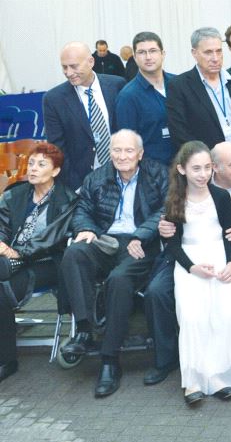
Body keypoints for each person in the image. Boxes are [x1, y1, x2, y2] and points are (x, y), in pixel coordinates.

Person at [143, 141, 231, 387]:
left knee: (226, 311)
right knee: (169, 300)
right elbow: (173, 237)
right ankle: (175, 366)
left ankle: (224, 372)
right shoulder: (178, 197)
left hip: (229, 256)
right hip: (187, 259)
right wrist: (167, 234)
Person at [58, 130, 167, 397]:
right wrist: (86, 228)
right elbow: (82, 209)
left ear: (140, 154)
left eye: (128, 151)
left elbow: (167, 209)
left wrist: (142, 235)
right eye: (116, 150)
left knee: (120, 278)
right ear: (110, 152)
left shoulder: (158, 174)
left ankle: (110, 359)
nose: (122, 156)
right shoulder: (97, 177)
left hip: (141, 243)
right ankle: (84, 329)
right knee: (74, 254)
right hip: (105, 240)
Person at [164, 141, 231, 406]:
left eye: (207, 167)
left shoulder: (220, 196)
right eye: (196, 168)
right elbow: (173, 244)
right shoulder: (174, 200)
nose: (203, 174)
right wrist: (192, 267)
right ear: (182, 169)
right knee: (194, 318)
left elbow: (228, 234)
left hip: (220, 260)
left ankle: (219, 376)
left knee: (225, 314)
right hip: (190, 263)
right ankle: (194, 379)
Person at [0, 143, 78, 384]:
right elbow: (2, 226)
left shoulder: (66, 199)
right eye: (31, 163)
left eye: (41, 164)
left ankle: (6, 360)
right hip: (8, 257)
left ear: (55, 171)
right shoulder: (14, 194)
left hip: (46, 262)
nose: (33, 169)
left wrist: (17, 252)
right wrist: (3, 246)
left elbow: (50, 238)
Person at [44, 42, 125, 190]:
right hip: (82, 184)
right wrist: (77, 187)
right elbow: (57, 148)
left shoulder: (117, 85)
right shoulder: (54, 99)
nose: (69, 73)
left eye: (74, 66)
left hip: (123, 175)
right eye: (64, 67)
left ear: (91, 62)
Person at [166, 27, 231, 151]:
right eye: (208, 52)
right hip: (205, 159)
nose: (215, 58)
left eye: (219, 51)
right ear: (194, 53)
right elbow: (180, 133)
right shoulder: (179, 86)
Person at [116, 31, 176, 166]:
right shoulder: (128, 96)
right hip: (153, 172)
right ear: (135, 57)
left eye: (153, 51)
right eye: (142, 52)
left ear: (163, 54)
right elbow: (128, 144)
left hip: (185, 168)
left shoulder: (178, 84)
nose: (148, 57)